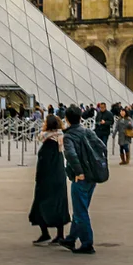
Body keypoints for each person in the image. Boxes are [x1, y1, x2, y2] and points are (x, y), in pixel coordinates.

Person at [62, 105, 107, 254]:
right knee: (81, 208)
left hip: (80, 177)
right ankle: (71, 238)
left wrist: (79, 171)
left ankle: (87, 243)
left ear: (67, 119)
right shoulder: (88, 131)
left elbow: (71, 155)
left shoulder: (69, 136)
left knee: (80, 211)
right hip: (92, 176)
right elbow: (102, 147)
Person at [30, 114, 70, 246]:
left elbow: (44, 162)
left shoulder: (48, 141)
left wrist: (38, 176)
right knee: (59, 204)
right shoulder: (60, 138)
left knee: (41, 204)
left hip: (47, 178)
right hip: (59, 177)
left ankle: (45, 233)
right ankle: (60, 234)